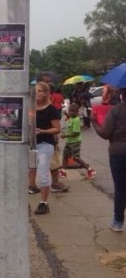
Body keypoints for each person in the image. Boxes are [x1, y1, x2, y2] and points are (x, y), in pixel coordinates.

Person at [90, 88, 126, 231]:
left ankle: (118, 222)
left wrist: (93, 121)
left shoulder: (116, 110)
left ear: (122, 94)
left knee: (121, 188)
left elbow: (105, 133)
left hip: (118, 153)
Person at [28, 82, 61, 214]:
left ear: (46, 93)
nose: (37, 93)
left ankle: (43, 202)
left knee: (42, 172)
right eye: (35, 91)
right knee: (30, 169)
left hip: (45, 144)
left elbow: (57, 129)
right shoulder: (30, 107)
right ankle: (31, 190)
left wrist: (42, 131)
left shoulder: (50, 109)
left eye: (40, 91)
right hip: (30, 144)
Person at [60, 103, 96, 179]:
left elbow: (76, 133)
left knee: (76, 158)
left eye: (73, 111)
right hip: (69, 141)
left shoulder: (76, 120)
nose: (71, 112)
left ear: (77, 112)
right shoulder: (72, 118)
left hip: (75, 142)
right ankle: (63, 171)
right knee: (65, 156)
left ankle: (89, 170)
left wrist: (65, 135)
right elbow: (70, 119)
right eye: (70, 111)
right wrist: (66, 114)